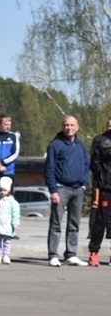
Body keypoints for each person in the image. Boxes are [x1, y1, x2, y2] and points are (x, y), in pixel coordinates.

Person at [44, 114, 88, 267]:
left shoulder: (81, 145)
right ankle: (53, 254)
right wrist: (53, 190)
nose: (69, 128)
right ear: (62, 127)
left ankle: (71, 254)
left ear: (77, 127)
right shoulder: (55, 145)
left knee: (74, 224)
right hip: (61, 188)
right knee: (56, 223)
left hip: (78, 189)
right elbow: (49, 169)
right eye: (66, 125)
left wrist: (84, 184)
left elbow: (86, 165)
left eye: (72, 125)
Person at [87, 118, 111, 267]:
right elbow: (94, 164)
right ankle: (94, 252)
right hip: (105, 187)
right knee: (100, 222)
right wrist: (100, 182)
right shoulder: (100, 141)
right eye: (109, 124)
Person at [0, 114, 20, 198]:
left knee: (8, 199)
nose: (8, 127)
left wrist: (2, 163)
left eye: (10, 124)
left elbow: (15, 153)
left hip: (7, 172)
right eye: (6, 124)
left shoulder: (13, 136)